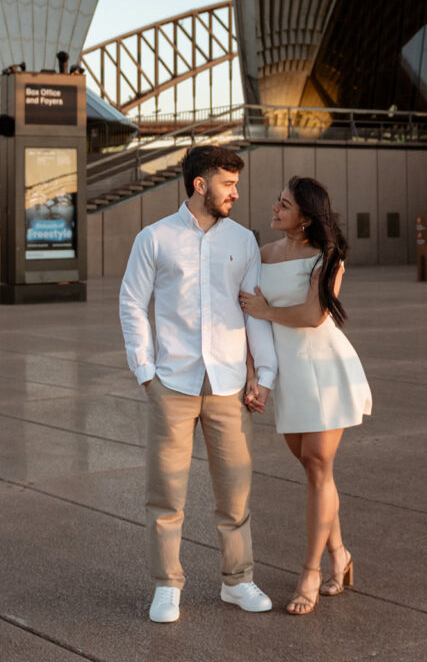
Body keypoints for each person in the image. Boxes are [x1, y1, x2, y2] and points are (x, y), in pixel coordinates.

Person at [119, 144, 277, 623]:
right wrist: (146, 371)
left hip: (228, 385)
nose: (235, 192)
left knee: (236, 491)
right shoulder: (155, 238)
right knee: (166, 493)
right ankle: (167, 585)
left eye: (236, 183)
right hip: (173, 383)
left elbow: (253, 311)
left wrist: (263, 375)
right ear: (199, 185)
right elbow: (131, 303)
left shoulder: (243, 241)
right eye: (227, 184)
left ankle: (238, 581)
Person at [240, 176, 372, 616]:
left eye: (284, 205)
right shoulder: (263, 256)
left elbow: (315, 315)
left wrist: (266, 310)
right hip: (291, 374)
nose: (275, 209)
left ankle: (310, 571)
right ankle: (341, 554)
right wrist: (254, 372)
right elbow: (250, 321)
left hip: (327, 370)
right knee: (316, 470)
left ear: (306, 218)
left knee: (317, 465)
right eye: (277, 202)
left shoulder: (328, 257)